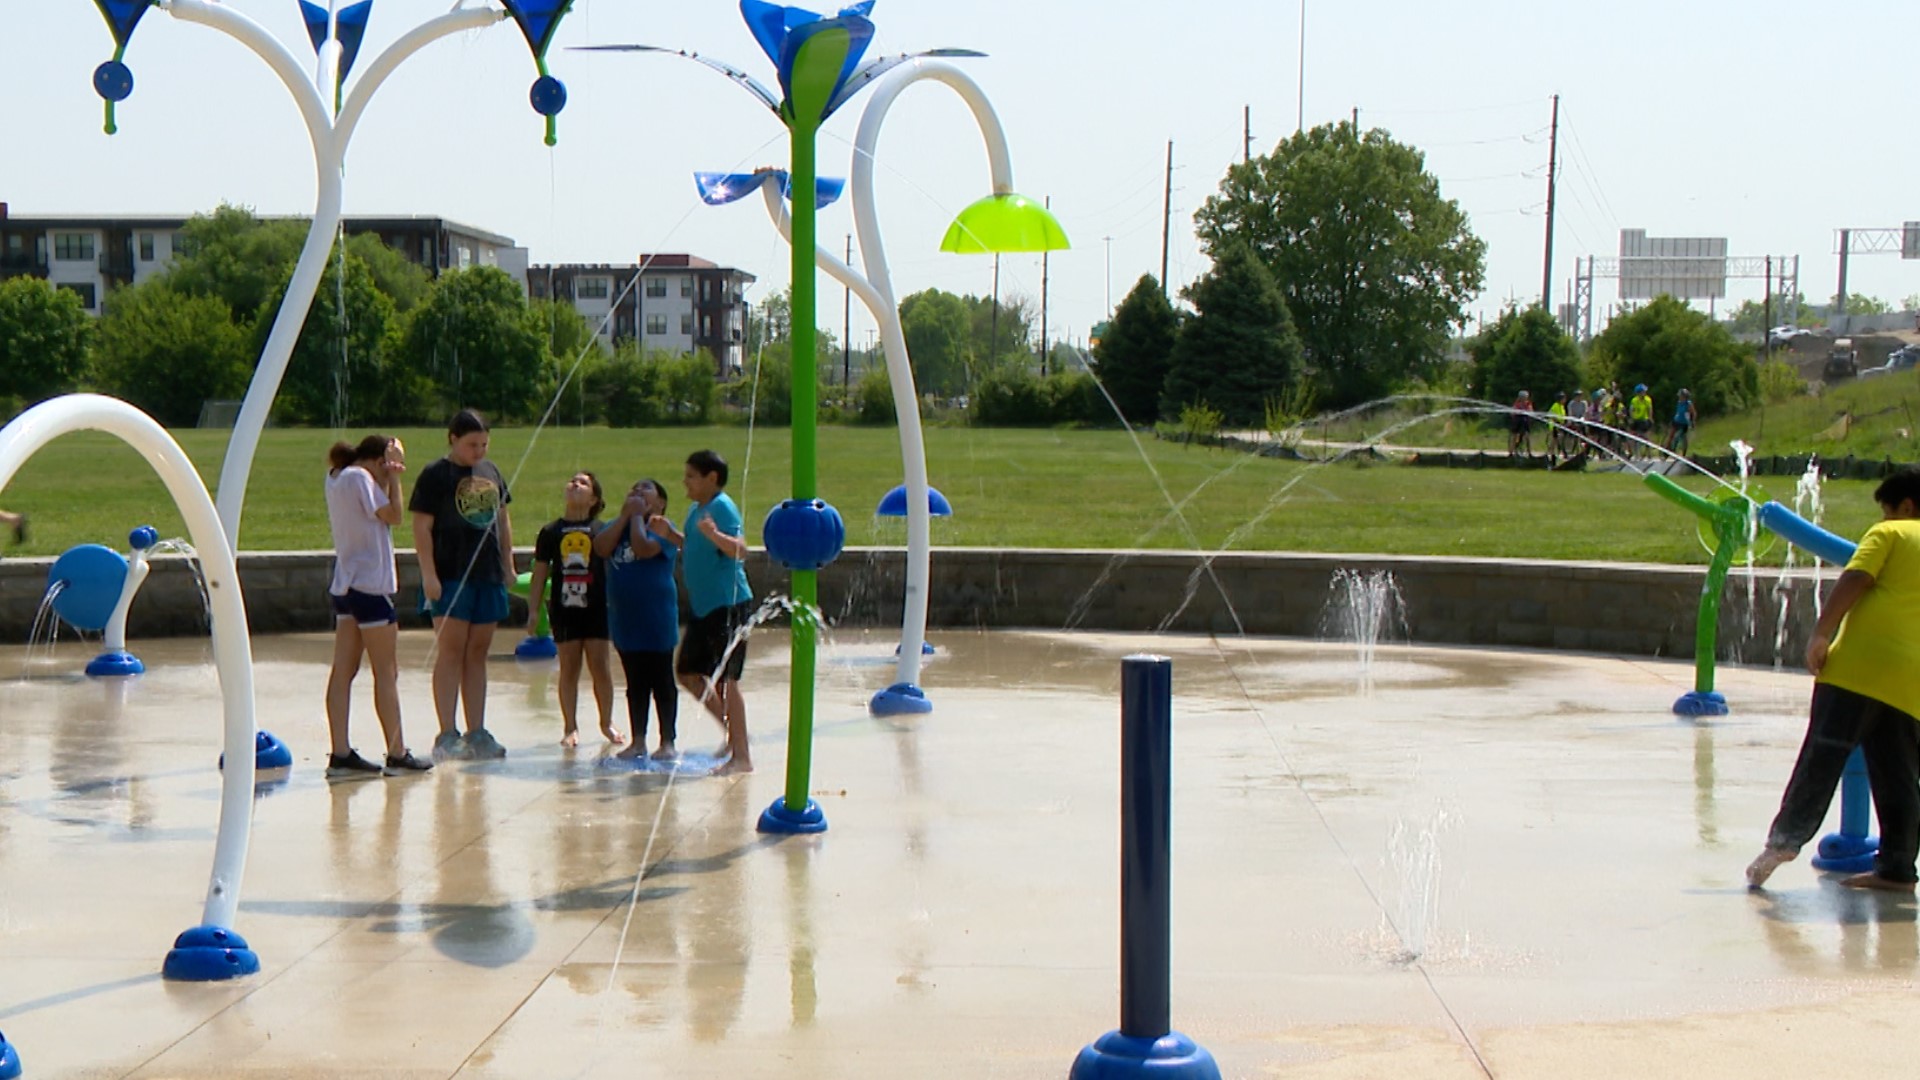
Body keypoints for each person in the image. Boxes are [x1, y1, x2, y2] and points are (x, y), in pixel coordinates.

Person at [1747, 467, 1920, 892]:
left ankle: (1783, 843)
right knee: (1899, 775)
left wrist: (1821, 633)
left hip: (1858, 671)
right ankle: (1898, 869)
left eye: (1886, 511)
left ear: (1907, 507)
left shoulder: (1891, 535)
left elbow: (1856, 579)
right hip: (1910, 683)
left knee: (1822, 756)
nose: (1882, 520)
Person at [323, 435, 433, 778]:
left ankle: (341, 752)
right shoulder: (360, 477)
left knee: (344, 671)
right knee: (386, 672)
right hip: (370, 584)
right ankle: (397, 752)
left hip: (347, 583)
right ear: (376, 461)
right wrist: (396, 476)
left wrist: (387, 472)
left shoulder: (338, 477)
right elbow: (394, 515)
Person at [409, 409, 514, 761]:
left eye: (484, 444)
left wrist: (508, 565)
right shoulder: (435, 474)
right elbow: (422, 527)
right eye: (472, 444)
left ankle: (477, 729)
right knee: (452, 650)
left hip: (488, 572)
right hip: (451, 573)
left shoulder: (491, 471)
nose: (479, 451)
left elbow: (502, 518)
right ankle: (447, 732)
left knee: (478, 653)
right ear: (453, 439)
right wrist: (429, 575)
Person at [654, 449, 755, 775]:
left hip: (728, 605)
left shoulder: (722, 507)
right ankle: (733, 734)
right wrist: (671, 536)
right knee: (686, 673)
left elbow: (740, 550)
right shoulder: (698, 509)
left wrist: (715, 534)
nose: (685, 483)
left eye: (691, 477)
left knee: (728, 681)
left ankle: (742, 756)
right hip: (705, 607)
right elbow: (696, 546)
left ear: (711, 478)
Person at [528, 471, 619, 748]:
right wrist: (534, 610)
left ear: (594, 498)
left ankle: (607, 723)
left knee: (600, 666)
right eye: (572, 481)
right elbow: (540, 573)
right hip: (564, 607)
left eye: (583, 483)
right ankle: (570, 726)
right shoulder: (550, 532)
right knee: (569, 667)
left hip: (597, 607)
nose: (575, 485)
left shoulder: (603, 530)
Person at [598, 478, 681, 762]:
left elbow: (643, 547)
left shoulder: (662, 530)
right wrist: (625, 516)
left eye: (645, 489)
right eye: (632, 488)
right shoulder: (617, 526)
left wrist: (635, 517)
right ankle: (638, 740)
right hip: (626, 618)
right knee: (635, 683)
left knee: (661, 680)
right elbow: (600, 548)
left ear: (660, 503)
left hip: (657, 617)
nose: (636, 492)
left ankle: (667, 740)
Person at [1665, 388, 1696, 456]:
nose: (1680, 397)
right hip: (1676, 421)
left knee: (1678, 437)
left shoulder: (1688, 404)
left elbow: (1693, 413)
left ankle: (1680, 451)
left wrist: (1693, 422)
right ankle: (1667, 449)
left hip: (1684, 423)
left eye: (1682, 396)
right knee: (1671, 435)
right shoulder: (1679, 403)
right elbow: (1678, 412)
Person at [1628, 383, 1654, 458]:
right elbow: (1631, 410)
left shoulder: (1648, 399)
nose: (1644, 393)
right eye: (1643, 392)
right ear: (1638, 393)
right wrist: (1631, 418)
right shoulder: (1634, 400)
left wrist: (1650, 418)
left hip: (1644, 420)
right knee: (1633, 436)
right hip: (1636, 420)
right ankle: (1636, 453)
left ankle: (1649, 454)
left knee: (1646, 437)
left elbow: (1650, 409)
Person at [1507, 390, 1534, 458]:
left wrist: (1528, 413)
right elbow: (1512, 413)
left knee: (1527, 436)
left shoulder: (1528, 404)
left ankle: (1529, 452)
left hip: (1525, 421)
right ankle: (1511, 452)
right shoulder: (1517, 404)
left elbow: (1531, 411)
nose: (1524, 399)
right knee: (1514, 436)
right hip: (1517, 421)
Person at [1546, 392, 1569, 463]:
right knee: (1554, 441)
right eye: (1564, 398)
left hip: (1560, 426)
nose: (1565, 400)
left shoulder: (1562, 407)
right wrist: (1557, 422)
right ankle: (1551, 455)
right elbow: (1550, 415)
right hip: (1555, 426)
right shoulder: (1555, 405)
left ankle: (1555, 454)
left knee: (1558, 441)